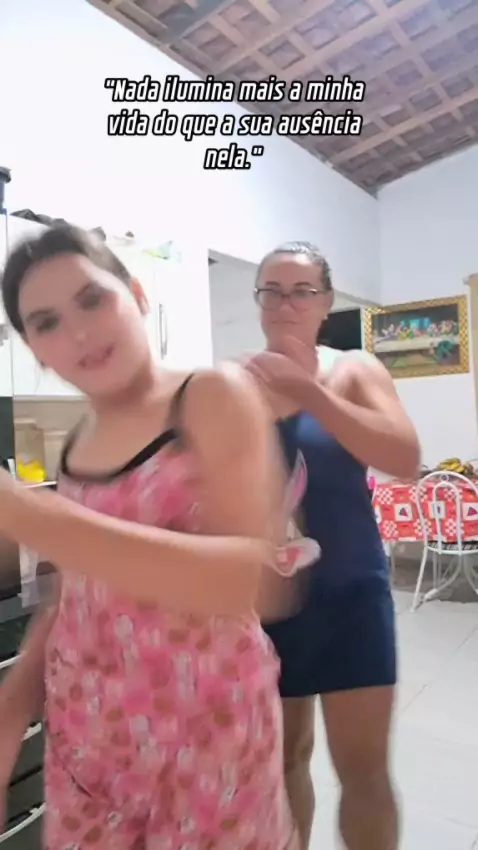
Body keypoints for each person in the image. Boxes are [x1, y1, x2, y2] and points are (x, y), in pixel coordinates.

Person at [0, 224, 300, 850]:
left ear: (136, 294)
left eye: (92, 300)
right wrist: (14, 703)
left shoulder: (210, 396)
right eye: (47, 323)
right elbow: (74, 593)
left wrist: (34, 516)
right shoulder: (77, 440)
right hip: (86, 741)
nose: (79, 333)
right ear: (33, 348)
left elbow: (258, 581)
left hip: (208, 743)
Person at [244, 241, 421, 850]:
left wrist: (311, 392)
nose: (286, 304)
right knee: (283, 762)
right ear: (258, 301)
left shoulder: (355, 370)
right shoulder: (233, 383)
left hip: (352, 594)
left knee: (364, 770)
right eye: (272, 291)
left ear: (325, 302)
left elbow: (405, 459)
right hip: (265, 604)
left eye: (302, 291)